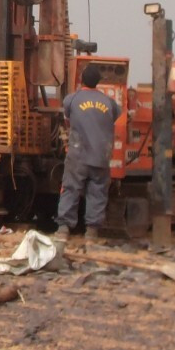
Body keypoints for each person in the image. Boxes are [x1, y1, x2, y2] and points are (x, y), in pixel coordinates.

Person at [57, 64, 122, 240]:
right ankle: (92, 233)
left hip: (78, 155)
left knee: (71, 188)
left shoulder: (72, 99)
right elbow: (117, 115)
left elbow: (67, 120)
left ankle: (63, 229)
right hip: (101, 156)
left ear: (81, 80)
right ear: (98, 83)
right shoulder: (110, 103)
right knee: (98, 192)